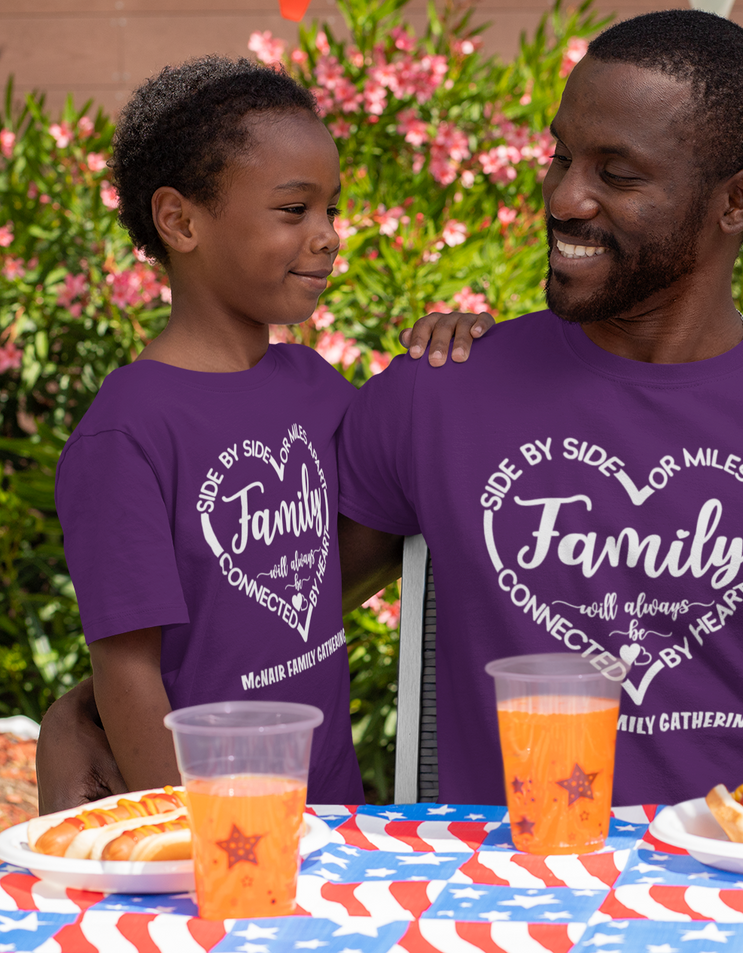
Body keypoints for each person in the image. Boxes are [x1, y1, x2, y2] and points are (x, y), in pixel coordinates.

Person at [338, 9, 743, 805]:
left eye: (616, 174)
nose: (564, 198)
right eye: (560, 155)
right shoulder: (440, 388)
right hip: (509, 896)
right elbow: (269, 621)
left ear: (735, 201)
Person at [42, 57, 482, 810]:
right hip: (220, 833)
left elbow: (360, 537)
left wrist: (454, 351)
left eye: (332, 212)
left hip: (329, 813)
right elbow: (127, 673)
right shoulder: (126, 434)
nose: (327, 237)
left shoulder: (315, 388)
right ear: (180, 220)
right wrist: (196, 839)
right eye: (294, 210)